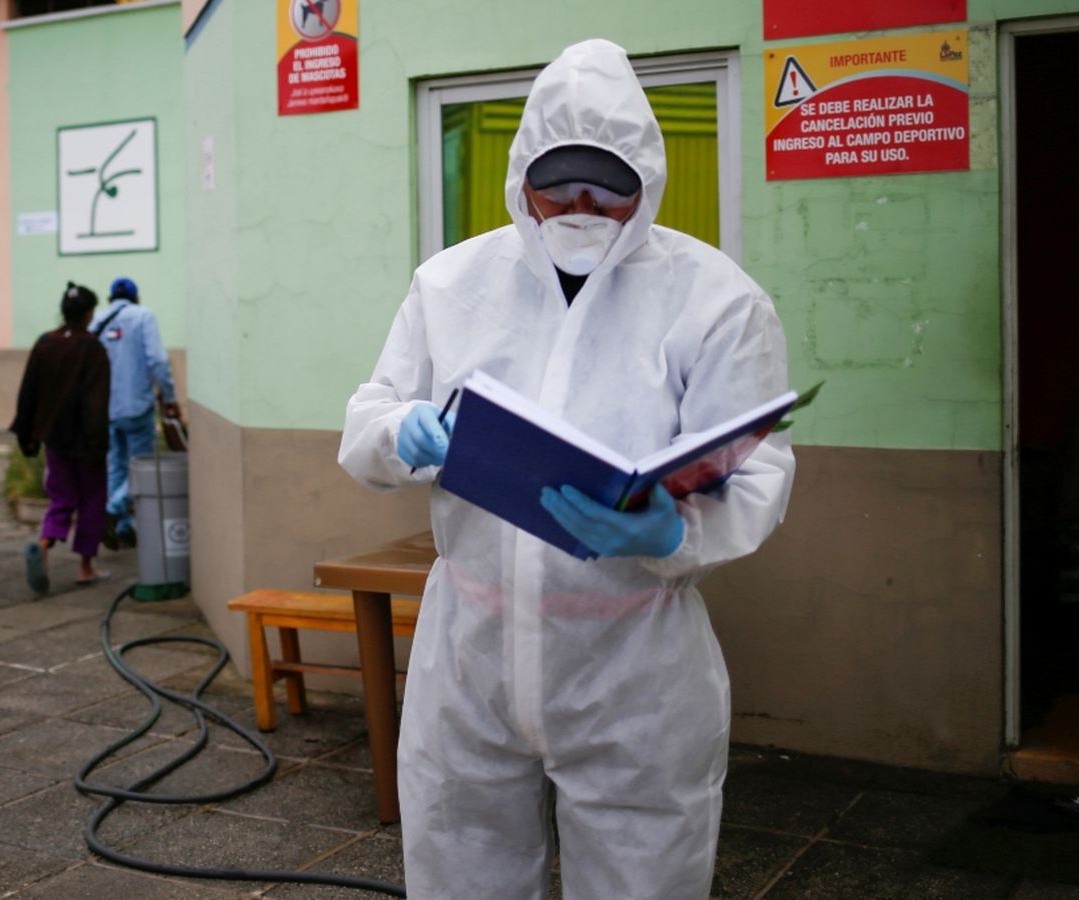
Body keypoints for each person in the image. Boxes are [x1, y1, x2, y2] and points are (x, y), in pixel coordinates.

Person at [338, 40, 796, 899]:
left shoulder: (716, 300)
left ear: (647, 182)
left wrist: (678, 527)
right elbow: (365, 424)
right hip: (467, 655)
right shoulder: (452, 284)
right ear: (522, 175)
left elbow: (758, 465)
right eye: (561, 177)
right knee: (456, 865)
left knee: (642, 875)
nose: (582, 204)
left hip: (633, 665)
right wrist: (409, 430)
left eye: (608, 183)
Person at [10, 282, 113, 594]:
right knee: (92, 500)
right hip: (86, 442)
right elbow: (97, 401)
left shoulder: (45, 343)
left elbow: (29, 391)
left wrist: (27, 435)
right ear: (88, 314)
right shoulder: (92, 348)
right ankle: (85, 568)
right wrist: (99, 444)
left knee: (61, 497)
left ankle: (43, 544)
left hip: (55, 439)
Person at [92, 276, 180, 548]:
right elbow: (157, 359)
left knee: (116, 466)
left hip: (107, 407)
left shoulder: (97, 320)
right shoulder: (144, 316)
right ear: (136, 297)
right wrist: (169, 396)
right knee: (142, 466)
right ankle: (113, 510)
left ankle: (123, 528)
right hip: (137, 405)